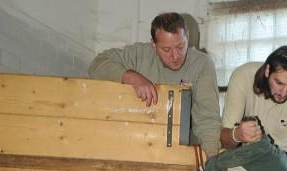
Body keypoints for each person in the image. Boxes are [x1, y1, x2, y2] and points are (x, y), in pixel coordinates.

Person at [89, 12, 221, 158]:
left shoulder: (202, 64)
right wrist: (133, 78)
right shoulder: (139, 54)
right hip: (136, 144)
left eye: (180, 47)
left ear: (187, 37)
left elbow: (207, 121)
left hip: (181, 150)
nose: (175, 56)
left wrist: (212, 159)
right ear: (153, 44)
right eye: (166, 50)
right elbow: (97, 64)